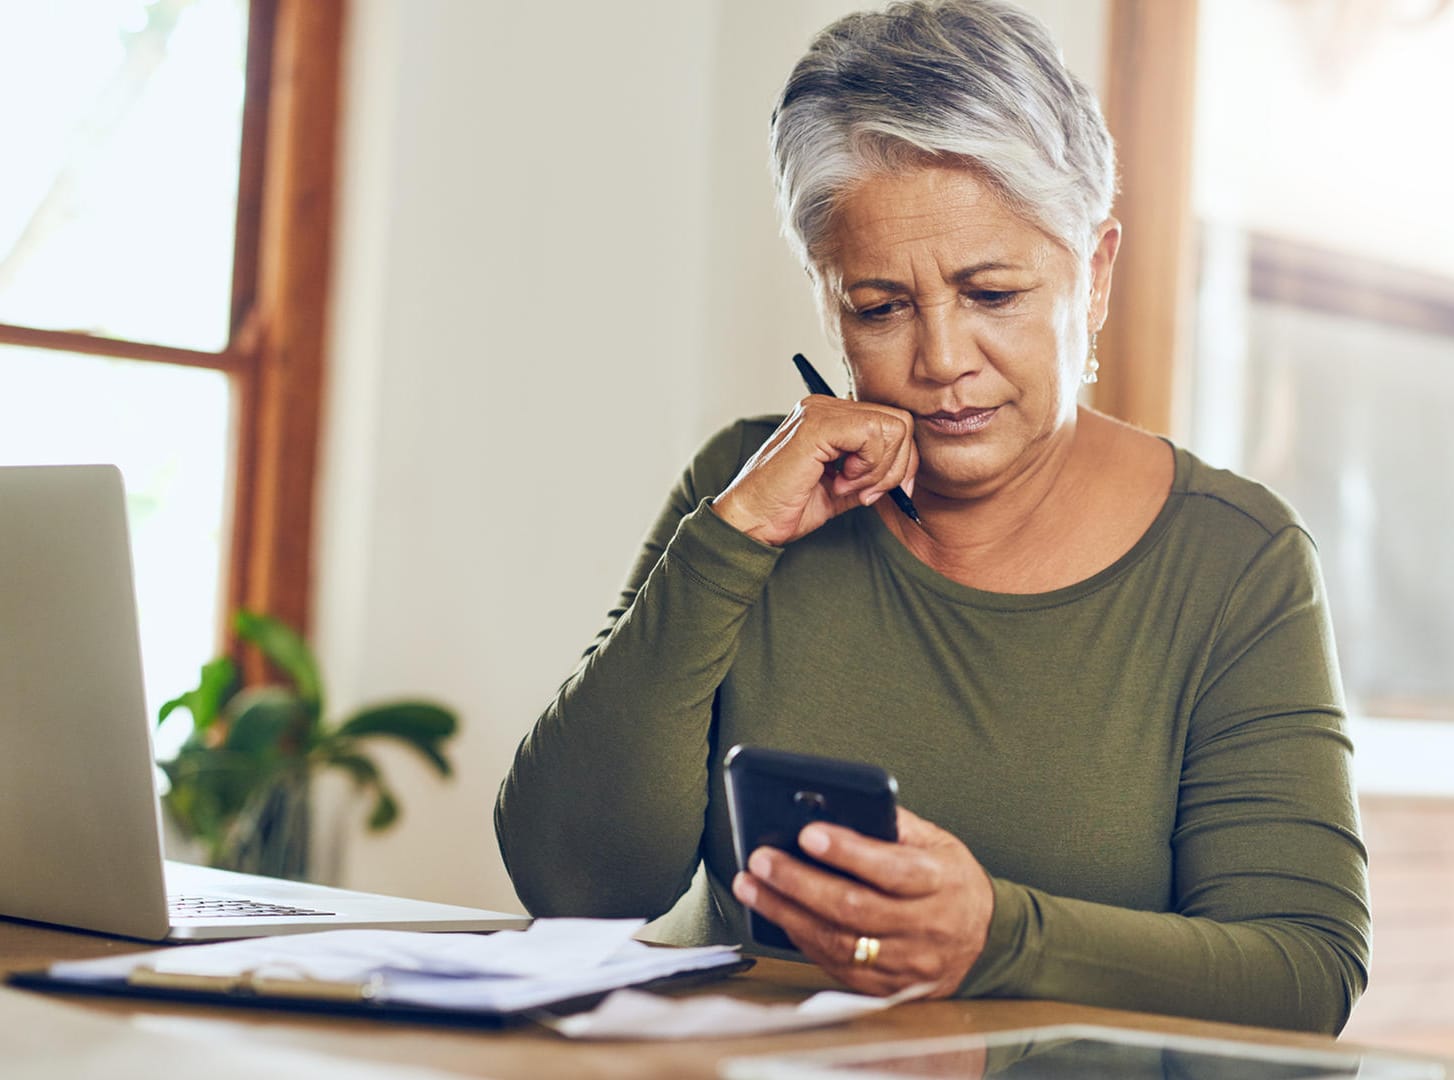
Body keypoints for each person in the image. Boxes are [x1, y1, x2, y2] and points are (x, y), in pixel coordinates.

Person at [495, 0, 1370, 1035]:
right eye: (879, 306)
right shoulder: (745, 484)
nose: (942, 360)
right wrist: (729, 544)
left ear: (1092, 274)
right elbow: (574, 883)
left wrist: (999, 939)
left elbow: (1303, 980)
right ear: (827, 301)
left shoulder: (1235, 558)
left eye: (991, 293)